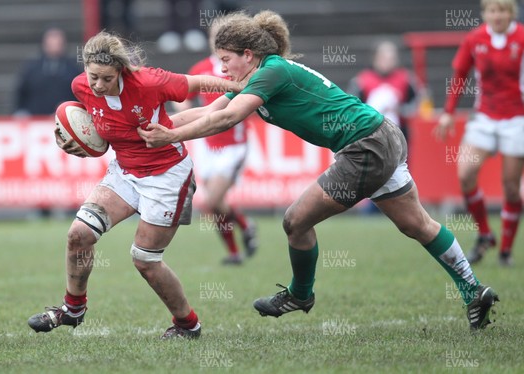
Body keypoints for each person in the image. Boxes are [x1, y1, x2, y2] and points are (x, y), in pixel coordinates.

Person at [138, 10, 500, 330]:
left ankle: (300, 295)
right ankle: (474, 290)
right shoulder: (255, 77)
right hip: (379, 135)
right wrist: (145, 129)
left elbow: (228, 119)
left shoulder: (271, 71)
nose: (222, 69)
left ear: (248, 55)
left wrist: (171, 136)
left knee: (295, 220)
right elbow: (205, 112)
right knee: (416, 224)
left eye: (226, 59)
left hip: (365, 146)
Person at [27, 31, 241, 339]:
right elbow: (91, 127)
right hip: (124, 171)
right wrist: (71, 140)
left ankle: (187, 324)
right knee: (79, 234)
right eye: (93, 77)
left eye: (106, 78)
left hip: (167, 175)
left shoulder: (151, 82)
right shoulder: (80, 86)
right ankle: (73, 309)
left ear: (122, 71)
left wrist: (241, 87)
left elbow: (199, 83)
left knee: (145, 261)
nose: (97, 85)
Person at [434, 0, 524, 267]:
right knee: (465, 174)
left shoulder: (521, 37)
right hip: (484, 117)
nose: (498, 16)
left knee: (510, 187)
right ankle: (485, 233)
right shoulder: (475, 39)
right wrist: (449, 111)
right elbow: (460, 74)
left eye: (503, 10)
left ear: (511, 13)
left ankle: (505, 252)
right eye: (493, 11)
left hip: (516, 119)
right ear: (485, 14)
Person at [172, 19, 257, 265]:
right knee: (216, 205)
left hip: (234, 145)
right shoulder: (201, 67)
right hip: (208, 145)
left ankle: (243, 229)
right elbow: (183, 98)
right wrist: (184, 108)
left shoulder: (241, 68)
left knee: (212, 201)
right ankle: (236, 246)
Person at [347, 40, 421, 214]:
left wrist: (400, 110)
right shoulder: (362, 81)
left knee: (400, 174)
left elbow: (417, 103)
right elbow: (351, 107)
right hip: (372, 136)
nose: (387, 61)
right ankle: (372, 208)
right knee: (374, 173)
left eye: (391, 57)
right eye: (383, 57)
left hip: (399, 136)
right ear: (375, 58)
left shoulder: (406, 79)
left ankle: (405, 209)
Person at [14, 27, 81, 116]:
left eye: (58, 40)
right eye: (51, 40)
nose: (54, 44)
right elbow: (21, 94)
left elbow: (78, 96)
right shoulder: (31, 68)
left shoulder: (73, 69)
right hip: (35, 120)